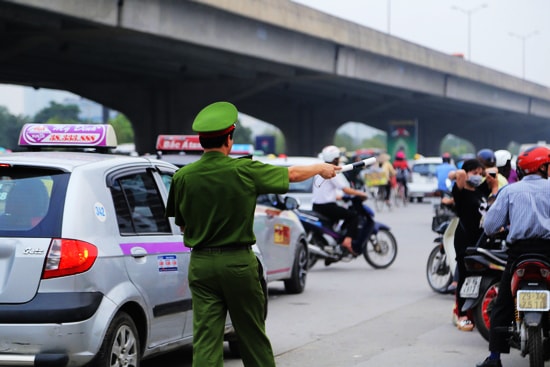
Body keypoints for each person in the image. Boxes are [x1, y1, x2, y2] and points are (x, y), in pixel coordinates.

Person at [165, 101, 341, 367]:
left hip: (201, 265)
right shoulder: (243, 170)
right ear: (229, 140)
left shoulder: (182, 177)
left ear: (202, 141)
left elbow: (183, 226)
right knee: (251, 335)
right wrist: (320, 168)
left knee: (205, 339)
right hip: (237, 264)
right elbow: (291, 174)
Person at [476, 146, 550, 367]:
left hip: (519, 254)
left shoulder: (509, 191)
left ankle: (494, 358)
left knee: (503, 304)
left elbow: (489, 226)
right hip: (548, 252)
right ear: (543, 167)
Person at [448, 158, 499, 331]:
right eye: (474, 172)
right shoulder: (460, 191)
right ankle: (460, 313)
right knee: (464, 275)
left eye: (480, 173)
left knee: (480, 276)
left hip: (482, 238)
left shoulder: (480, 190)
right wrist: (462, 172)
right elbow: (460, 174)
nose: (478, 176)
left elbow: (494, 172)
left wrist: (486, 176)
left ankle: (475, 312)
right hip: (465, 238)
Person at [312, 145, 368, 256]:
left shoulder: (321, 169)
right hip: (327, 207)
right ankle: (347, 242)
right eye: (338, 158)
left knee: (338, 220)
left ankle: (333, 247)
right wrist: (361, 193)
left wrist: (341, 197)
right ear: (335, 159)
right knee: (353, 217)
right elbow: (345, 189)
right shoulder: (332, 171)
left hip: (316, 205)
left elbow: (326, 191)